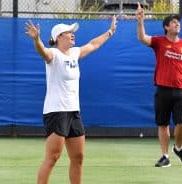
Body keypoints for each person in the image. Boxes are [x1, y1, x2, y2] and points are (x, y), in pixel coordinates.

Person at [25, 16, 117, 184]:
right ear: (59, 37)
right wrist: (37, 39)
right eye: (69, 32)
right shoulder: (54, 54)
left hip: (74, 112)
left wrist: (110, 32)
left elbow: (93, 44)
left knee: (78, 157)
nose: (73, 35)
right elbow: (43, 52)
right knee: (53, 157)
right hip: (56, 112)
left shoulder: (74, 53)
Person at [136, 2, 182, 167]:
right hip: (162, 89)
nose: (177, 24)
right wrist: (140, 21)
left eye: (179, 23)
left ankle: (178, 147)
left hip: (180, 90)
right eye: (174, 22)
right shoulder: (159, 42)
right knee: (163, 124)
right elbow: (142, 37)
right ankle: (165, 156)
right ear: (166, 27)